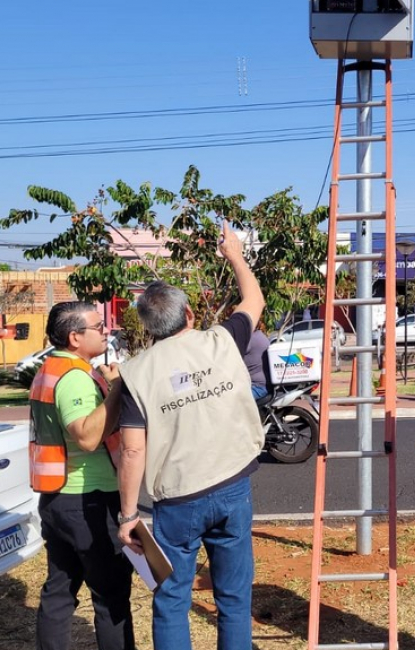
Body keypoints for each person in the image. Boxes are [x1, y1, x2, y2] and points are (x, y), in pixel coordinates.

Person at [116, 220, 264, 650]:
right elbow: (253, 299)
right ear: (190, 315)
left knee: (172, 599)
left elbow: (132, 450)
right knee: (235, 598)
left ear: (148, 327)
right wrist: (234, 254)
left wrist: (128, 516)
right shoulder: (221, 340)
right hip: (233, 485)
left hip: (178, 501)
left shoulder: (137, 373)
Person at [30, 302, 134, 650]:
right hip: (89, 499)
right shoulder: (74, 378)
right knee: (110, 596)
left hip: (59, 496)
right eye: (98, 326)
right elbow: (88, 437)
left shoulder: (52, 368)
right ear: (75, 337)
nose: (106, 330)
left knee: (59, 591)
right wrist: (119, 387)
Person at [243, 327, 271, 401]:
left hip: (257, 387)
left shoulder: (249, 340)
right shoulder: (260, 335)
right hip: (264, 384)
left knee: (231, 401)